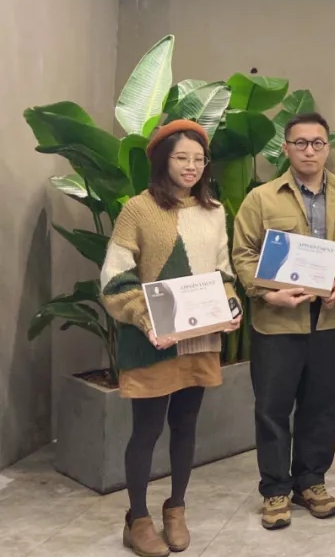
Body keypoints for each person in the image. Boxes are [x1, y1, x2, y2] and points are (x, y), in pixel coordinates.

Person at [100, 119, 242, 557]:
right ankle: (138, 518)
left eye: (199, 159)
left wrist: (231, 304)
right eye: (182, 157)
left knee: (185, 425)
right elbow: (115, 276)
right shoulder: (138, 209)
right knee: (146, 430)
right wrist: (145, 319)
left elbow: (223, 272)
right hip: (151, 340)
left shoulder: (214, 211)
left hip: (199, 338)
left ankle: (176, 508)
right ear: (163, 160)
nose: (191, 166)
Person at [232, 112, 335, 531]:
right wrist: (266, 292)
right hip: (277, 322)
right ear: (286, 148)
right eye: (301, 143)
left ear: (328, 148)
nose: (310, 150)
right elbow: (243, 254)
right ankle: (275, 489)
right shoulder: (261, 199)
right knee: (272, 408)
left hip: (330, 320)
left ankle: (311, 481)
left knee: (323, 406)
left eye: (318, 143)